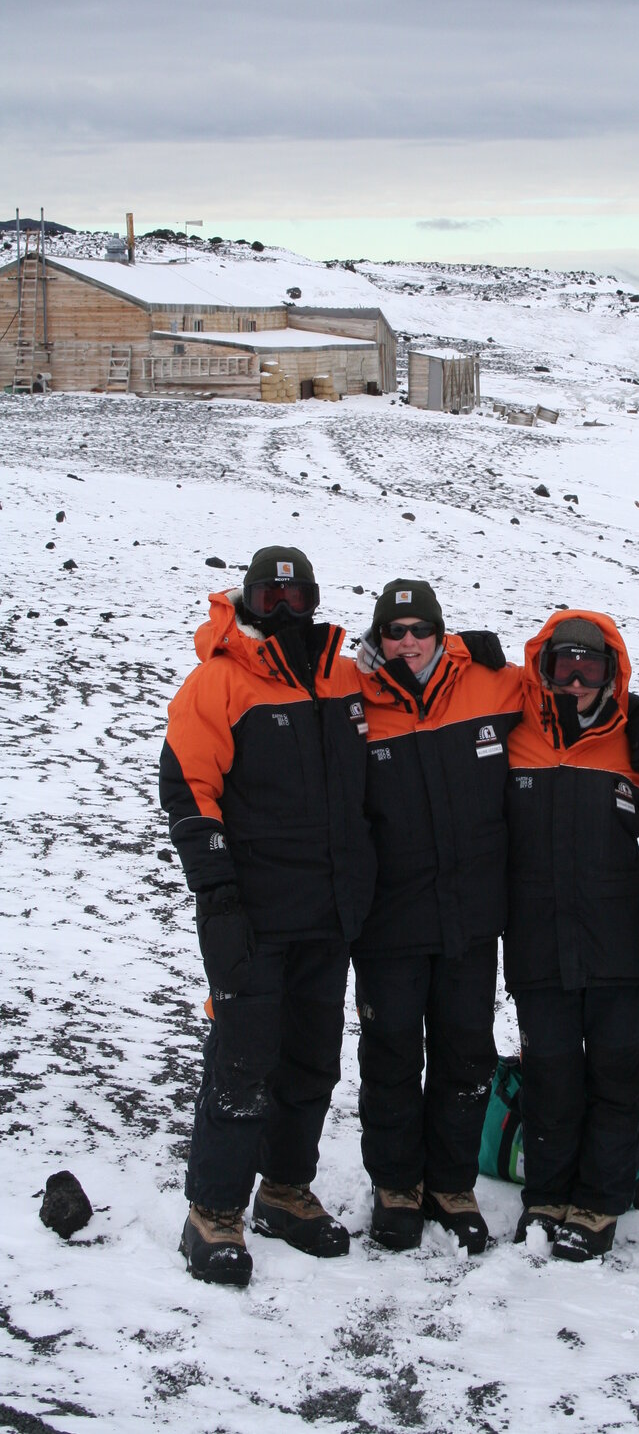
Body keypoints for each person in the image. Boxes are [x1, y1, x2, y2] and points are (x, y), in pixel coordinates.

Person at [159, 546, 376, 1286]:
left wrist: (468, 650)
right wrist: (215, 892)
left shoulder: (344, 676)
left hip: (331, 908)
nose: (284, 609)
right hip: (251, 910)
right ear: (247, 599)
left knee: (313, 1058)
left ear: (313, 599)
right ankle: (214, 1211)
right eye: (269, 596)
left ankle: (286, 1190)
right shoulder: (218, 681)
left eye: (297, 596)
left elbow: (421, 687)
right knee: (244, 1059)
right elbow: (189, 790)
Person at [352, 579, 522, 1254]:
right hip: (388, 921)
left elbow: (567, 695)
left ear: (441, 633)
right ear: (378, 639)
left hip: (471, 917)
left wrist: (498, 655)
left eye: (422, 629)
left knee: (465, 1054)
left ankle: (451, 1184)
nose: (409, 643)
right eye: (395, 632)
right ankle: (395, 1186)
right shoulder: (353, 698)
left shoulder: (490, 686)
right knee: (391, 1054)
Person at [503, 613, 639, 1261]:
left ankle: (599, 1200)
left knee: (615, 1076)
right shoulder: (516, 736)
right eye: (562, 666)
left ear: (611, 674)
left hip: (618, 944)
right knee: (551, 1073)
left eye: (589, 668)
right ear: (543, 670)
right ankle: (546, 1195)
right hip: (538, 941)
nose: (574, 680)